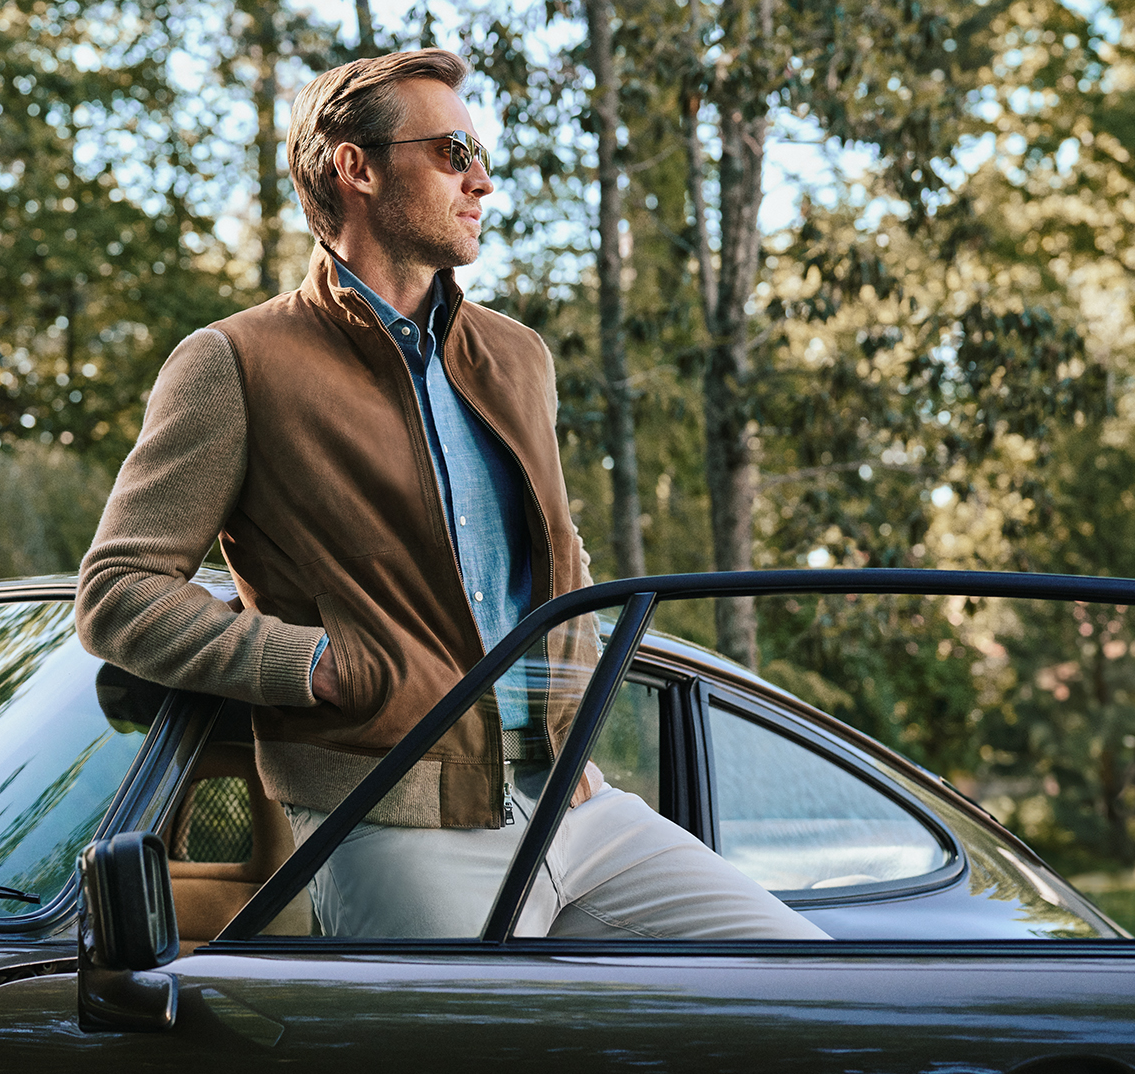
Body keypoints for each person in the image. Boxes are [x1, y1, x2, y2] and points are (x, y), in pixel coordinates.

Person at [76, 48, 824, 941]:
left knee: (802, 994)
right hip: (393, 818)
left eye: (480, 155)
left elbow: (563, 564)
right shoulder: (235, 363)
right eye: (453, 149)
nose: (483, 180)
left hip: (574, 804)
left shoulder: (517, 356)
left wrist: (577, 728)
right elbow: (119, 594)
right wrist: (319, 665)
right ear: (355, 166)